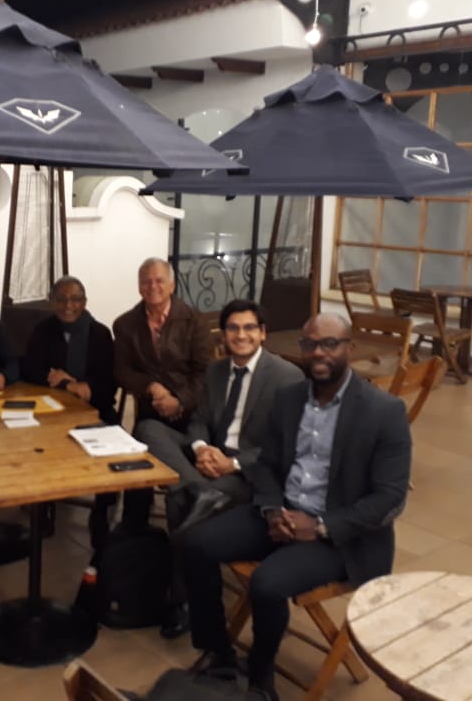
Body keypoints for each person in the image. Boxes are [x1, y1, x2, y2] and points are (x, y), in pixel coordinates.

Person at [180, 313, 412, 700]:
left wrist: (320, 526)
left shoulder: (383, 411)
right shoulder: (289, 399)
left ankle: (261, 679)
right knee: (194, 544)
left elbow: (390, 499)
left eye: (330, 344)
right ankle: (219, 653)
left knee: (267, 584)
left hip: (340, 536)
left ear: (349, 348)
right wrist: (272, 511)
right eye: (310, 344)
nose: (319, 352)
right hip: (282, 512)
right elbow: (268, 464)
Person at [135, 299, 303, 638]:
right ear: (223, 334)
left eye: (249, 328)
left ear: (263, 333)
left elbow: (285, 445)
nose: (241, 335)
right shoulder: (216, 371)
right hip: (209, 457)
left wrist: (233, 463)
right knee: (148, 429)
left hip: (247, 473)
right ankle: (197, 489)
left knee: (177, 501)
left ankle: (181, 600)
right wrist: (201, 449)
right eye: (233, 328)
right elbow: (198, 420)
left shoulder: (287, 377)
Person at [113, 258, 212, 528]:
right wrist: (151, 386)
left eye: (159, 280)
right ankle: (134, 531)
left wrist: (179, 401)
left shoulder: (194, 322)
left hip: (193, 413)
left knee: (151, 445)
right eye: (146, 281)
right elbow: (121, 371)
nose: (153, 286)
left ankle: (187, 514)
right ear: (139, 287)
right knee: (137, 455)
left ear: (172, 285)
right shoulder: (125, 324)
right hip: (151, 411)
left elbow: (205, 373)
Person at [21, 276, 117, 424]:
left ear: (84, 302)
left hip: (95, 410)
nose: (68, 305)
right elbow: (29, 370)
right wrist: (67, 384)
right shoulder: (43, 330)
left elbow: (107, 384)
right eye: (61, 299)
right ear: (52, 302)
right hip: (51, 410)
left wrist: (76, 385)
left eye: (75, 299)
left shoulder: (100, 334)